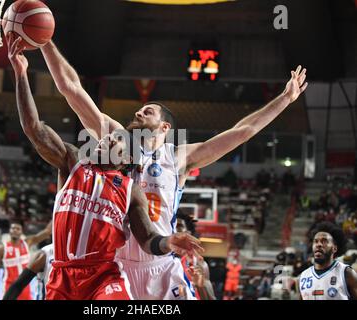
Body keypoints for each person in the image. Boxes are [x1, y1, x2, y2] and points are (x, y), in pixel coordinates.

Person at [39, 39, 308, 299]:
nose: (138, 113)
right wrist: (46, 42)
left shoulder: (179, 157)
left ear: (165, 127)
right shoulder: (117, 139)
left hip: (161, 266)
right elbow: (71, 89)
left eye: (148, 111)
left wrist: (285, 98)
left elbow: (242, 131)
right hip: (116, 267)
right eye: (139, 111)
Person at [7, 34, 203, 300]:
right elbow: (34, 128)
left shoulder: (131, 190)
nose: (108, 137)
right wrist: (21, 73)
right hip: (62, 274)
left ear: (126, 159)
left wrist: (169, 241)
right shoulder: (74, 161)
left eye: (116, 140)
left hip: (104, 277)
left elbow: (147, 239)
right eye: (109, 136)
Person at [0, 220, 52, 300]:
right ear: (9, 230)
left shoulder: (27, 243)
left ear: (21, 231)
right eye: (13, 228)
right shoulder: (2, 248)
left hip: (25, 288)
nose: (15, 230)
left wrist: (56, 214)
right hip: (9, 288)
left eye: (18, 229)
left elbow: (47, 232)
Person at [299, 222, 357, 300]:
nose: (318, 244)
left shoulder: (346, 273)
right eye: (316, 241)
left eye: (324, 241)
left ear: (334, 248)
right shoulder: (303, 276)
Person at [176, 211, 216, 300]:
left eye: (179, 226)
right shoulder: (156, 259)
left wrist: (200, 286)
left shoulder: (199, 264)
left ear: (188, 233)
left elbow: (210, 299)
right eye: (172, 225)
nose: (174, 229)